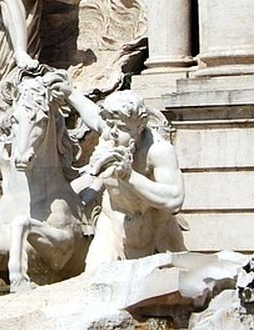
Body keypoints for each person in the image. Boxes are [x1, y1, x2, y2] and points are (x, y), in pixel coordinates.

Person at [69, 88, 186, 269]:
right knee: (94, 280)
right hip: (112, 229)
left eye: (122, 128)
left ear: (139, 127)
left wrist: (129, 176)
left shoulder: (158, 151)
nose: (113, 133)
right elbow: (91, 114)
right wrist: (68, 91)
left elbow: (175, 198)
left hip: (156, 235)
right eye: (110, 124)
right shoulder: (109, 134)